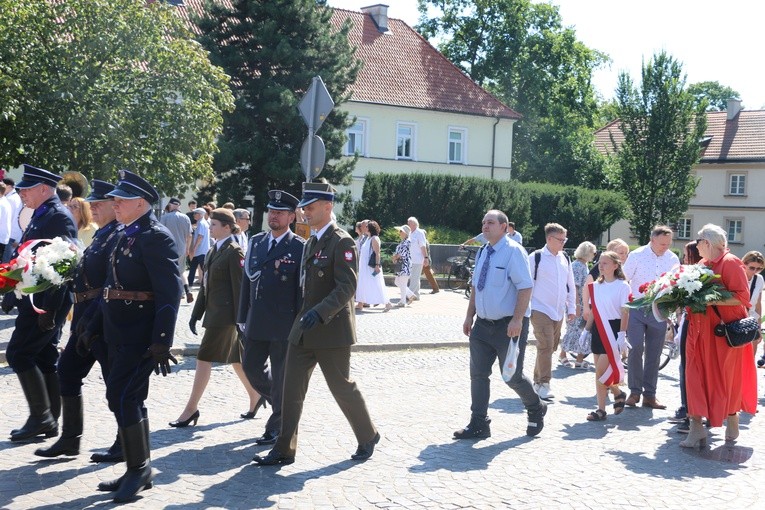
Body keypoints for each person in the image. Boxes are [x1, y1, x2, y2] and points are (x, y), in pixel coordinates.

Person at [253, 182, 379, 466]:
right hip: (304, 329)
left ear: (327, 206)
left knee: (341, 387)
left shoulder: (342, 241)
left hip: (331, 331)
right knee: (290, 389)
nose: (305, 212)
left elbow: (347, 286)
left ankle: (367, 435)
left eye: (310, 207)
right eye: (304, 207)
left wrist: (320, 312)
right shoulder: (311, 240)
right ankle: (284, 449)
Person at [82, 170, 182, 502]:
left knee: (124, 397)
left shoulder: (155, 236)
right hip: (116, 329)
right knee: (123, 397)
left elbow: (169, 292)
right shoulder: (126, 233)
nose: (114, 204)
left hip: (140, 334)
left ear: (140, 203)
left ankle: (138, 469)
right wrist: (92, 324)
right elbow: (111, 286)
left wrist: (162, 340)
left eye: (120, 200)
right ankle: (138, 468)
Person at [34, 180, 123, 461]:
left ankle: (125, 444)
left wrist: (92, 318)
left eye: (99, 204)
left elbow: (111, 282)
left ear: (114, 204)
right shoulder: (102, 235)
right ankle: (70, 440)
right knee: (68, 372)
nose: (93, 208)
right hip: (85, 317)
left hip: (104, 320)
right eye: (92, 203)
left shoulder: (118, 235)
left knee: (116, 385)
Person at [454, 209, 547, 440]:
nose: (485, 226)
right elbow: (477, 285)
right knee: (478, 375)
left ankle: (536, 407)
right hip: (482, 326)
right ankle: (479, 424)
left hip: (508, 326)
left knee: (512, 376)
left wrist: (517, 320)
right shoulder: (483, 251)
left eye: (491, 223)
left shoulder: (514, 252)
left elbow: (525, 287)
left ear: (504, 227)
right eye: (484, 222)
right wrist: (469, 316)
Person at [3, 164, 78, 442]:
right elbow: (30, 257)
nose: (21, 192)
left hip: (45, 303)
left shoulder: (58, 216)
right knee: (45, 358)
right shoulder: (42, 213)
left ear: (44, 189)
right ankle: (50, 421)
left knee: (18, 354)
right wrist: (11, 288)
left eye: (27, 188)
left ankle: (41, 416)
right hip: (36, 299)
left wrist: (52, 309)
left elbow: (65, 264)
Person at [171, 208, 261, 428]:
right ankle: (256, 395)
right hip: (214, 314)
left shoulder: (234, 252)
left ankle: (191, 409)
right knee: (236, 360)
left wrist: (242, 321)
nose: (209, 227)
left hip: (226, 317)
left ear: (227, 228)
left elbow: (240, 289)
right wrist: (195, 314)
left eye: (213, 225)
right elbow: (206, 286)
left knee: (203, 357)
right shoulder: (213, 250)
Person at [680, 224, 758, 448]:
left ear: (707, 243)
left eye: (698, 241)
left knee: (725, 379)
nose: (696, 245)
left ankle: (732, 417)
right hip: (699, 331)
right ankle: (696, 428)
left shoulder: (731, 262)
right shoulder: (702, 264)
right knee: (694, 377)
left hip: (723, 334)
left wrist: (710, 300)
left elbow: (742, 298)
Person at [238, 190, 304, 447]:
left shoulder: (299, 247)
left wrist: (299, 324)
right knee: (250, 368)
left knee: (281, 375)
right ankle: (281, 404)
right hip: (257, 319)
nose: (273, 216)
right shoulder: (256, 241)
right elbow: (247, 281)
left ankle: (276, 425)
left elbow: (301, 290)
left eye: (279, 212)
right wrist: (242, 315)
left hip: (284, 323)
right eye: (271, 211)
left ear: (291, 217)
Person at [622, 225, 679, 409]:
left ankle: (650, 395)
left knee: (654, 353)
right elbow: (624, 279)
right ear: (652, 240)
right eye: (662, 244)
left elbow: (676, 284)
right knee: (636, 347)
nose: (665, 247)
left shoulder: (672, 258)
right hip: (638, 307)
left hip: (660, 309)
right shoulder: (637, 255)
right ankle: (634, 391)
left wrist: (672, 310)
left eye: (668, 244)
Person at [528, 223, 576, 400]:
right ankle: (544, 383)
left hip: (558, 310)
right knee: (546, 344)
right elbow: (527, 284)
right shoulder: (536, 257)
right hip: (539, 308)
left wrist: (571, 308)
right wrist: (525, 309)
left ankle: (536, 381)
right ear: (549, 239)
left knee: (549, 347)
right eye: (560, 239)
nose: (563, 243)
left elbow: (570, 285)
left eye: (565, 239)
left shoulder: (565, 258)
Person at [581, 251, 631, 421]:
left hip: (614, 329)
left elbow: (625, 312)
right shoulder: (595, 286)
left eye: (605, 263)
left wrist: (622, 334)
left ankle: (605, 405)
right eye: (599, 263)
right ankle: (614, 397)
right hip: (598, 328)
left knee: (601, 372)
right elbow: (595, 310)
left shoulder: (623, 286)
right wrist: (586, 330)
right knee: (599, 372)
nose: (600, 266)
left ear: (616, 266)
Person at [669, 241, 701, 433]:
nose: (685, 260)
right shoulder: (685, 273)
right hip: (686, 322)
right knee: (684, 369)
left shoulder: (701, 275)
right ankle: (686, 408)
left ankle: (693, 413)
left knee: (689, 369)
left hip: (696, 326)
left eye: (688, 256)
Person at [560, 241, 596, 367]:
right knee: (574, 329)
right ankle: (562, 354)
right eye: (593, 252)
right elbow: (574, 287)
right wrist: (577, 306)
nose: (594, 254)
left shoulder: (584, 265)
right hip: (577, 303)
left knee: (583, 330)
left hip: (583, 302)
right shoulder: (577, 266)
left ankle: (579, 358)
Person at [159, 198, 194, 303]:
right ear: (179, 206)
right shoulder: (186, 218)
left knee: (169, 270)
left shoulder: (165, 217)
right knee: (182, 271)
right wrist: (187, 248)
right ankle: (186, 291)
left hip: (168, 248)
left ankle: (173, 292)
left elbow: (160, 234)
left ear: (170, 205)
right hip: (182, 248)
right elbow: (189, 235)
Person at [355, 220, 392, 312]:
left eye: (367, 226)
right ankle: (360, 303)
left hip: (371, 267)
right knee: (363, 283)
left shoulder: (374, 238)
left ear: (370, 228)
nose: (365, 228)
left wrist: (377, 265)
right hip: (364, 267)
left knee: (376, 284)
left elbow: (377, 253)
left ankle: (387, 303)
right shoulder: (368, 238)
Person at [741, 250, 764, 359]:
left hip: (752, 320)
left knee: (750, 358)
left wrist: (759, 327)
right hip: (737, 320)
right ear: (744, 264)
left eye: (759, 269)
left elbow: (758, 305)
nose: (755, 271)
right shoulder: (737, 276)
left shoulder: (759, 279)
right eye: (752, 268)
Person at [391, 224, 415, 307]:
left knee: (402, 283)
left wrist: (395, 257)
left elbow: (402, 253)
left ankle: (403, 301)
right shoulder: (404, 241)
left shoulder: (407, 241)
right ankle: (410, 295)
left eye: (401, 231)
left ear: (405, 232)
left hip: (404, 265)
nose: (399, 232)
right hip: (401, 265)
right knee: (397, 282)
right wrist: (395, 257)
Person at [2, 177, 24, 263]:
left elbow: (8, 218)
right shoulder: (14, 197)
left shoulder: (11, 199)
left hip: (10, 234)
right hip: (12, 234)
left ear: (9, 186)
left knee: (5, 262)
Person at [187, 207, 210, 286]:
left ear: (200, 214)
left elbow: (200, 236)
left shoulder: (201, 223)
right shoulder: (203, 222)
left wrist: (194, 248)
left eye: (195, 213)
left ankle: (205, 284)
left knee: (202, 269)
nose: (194, 215)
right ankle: (190, 283)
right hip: (201, 250)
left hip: (200, 251)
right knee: (194, 268)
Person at [407, 217, 428, 300]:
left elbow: (423, 246)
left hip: (418, 259)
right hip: (410, 259)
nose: (408, 224)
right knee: (414, 277)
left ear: (415, 224)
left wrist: (426, 257)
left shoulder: (420, 233)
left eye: (410, 223)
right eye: (408, 223)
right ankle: (416, 295)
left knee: (414, 278)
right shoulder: (410, 233)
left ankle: (409, 295)